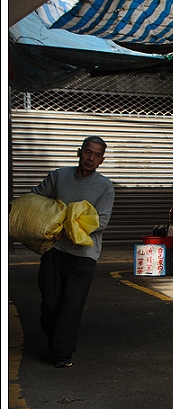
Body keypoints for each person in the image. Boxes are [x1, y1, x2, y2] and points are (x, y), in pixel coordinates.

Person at [31, 135, 115, 368]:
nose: (91, 158)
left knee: (71, 305)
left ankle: (62, 354)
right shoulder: (59, 176)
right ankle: (55, 339)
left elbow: (102, 222)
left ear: (102, 160)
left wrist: (67, 232)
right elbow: (36, 198)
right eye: (88, 152)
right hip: (53, 250)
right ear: (79, 152)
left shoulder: (105, 187)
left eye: (97, 155)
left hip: (84, 256)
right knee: (50, 303)